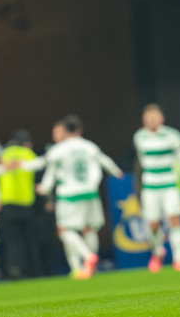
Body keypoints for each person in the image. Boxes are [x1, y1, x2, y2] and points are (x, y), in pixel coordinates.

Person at [37, 116, 123, 279]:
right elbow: (105, 160)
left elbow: (44, 164)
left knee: (64, 231)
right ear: (80, 129)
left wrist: (42, 186)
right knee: (89, 229)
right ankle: (87, 268)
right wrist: (117, 172)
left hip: (69, 195)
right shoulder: (89, 146)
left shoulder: (59, 150)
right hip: (90, 192)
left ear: (64, 131)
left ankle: (87, 258)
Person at [133, 104, 180, 273]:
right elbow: (141, 162)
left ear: (162, 118)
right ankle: (158, 251)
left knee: (175, 220)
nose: (152, 121)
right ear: (144, 120)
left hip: (170, 184)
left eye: (155, 117)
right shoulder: (139, 137)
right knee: (152, 224)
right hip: (150, 186)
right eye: (148, 118)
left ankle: (179, 260)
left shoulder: (173, 136)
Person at [0, 130, 46, 279]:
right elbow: (39, 173)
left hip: (8, 202)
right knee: (29, 239)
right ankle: (32, 270)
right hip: (26, 203)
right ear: (27, 143)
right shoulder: (28, 154)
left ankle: (13, 269)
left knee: (12, 240)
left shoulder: (4, 155)